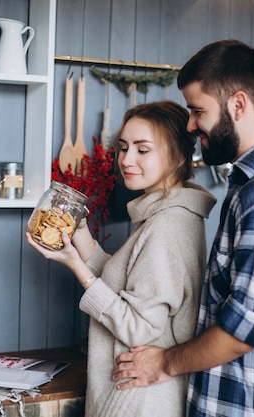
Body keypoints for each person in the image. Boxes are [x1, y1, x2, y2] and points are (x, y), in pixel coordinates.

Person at [112, 40, 254, 417]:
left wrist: (162, 363)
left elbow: (244, 330)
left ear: (238, 104)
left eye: (198, 111)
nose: (191, 125)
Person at [26, 100, 217, 417]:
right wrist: (80, 233)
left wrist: (76, 267)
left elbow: (138, 328)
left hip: (139, 400)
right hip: (136, 395)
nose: (126, 160)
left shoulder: (167, 226)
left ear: (179, 156)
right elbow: (126, 284)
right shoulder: (165, 215)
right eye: (123, 148)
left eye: (143, 150)